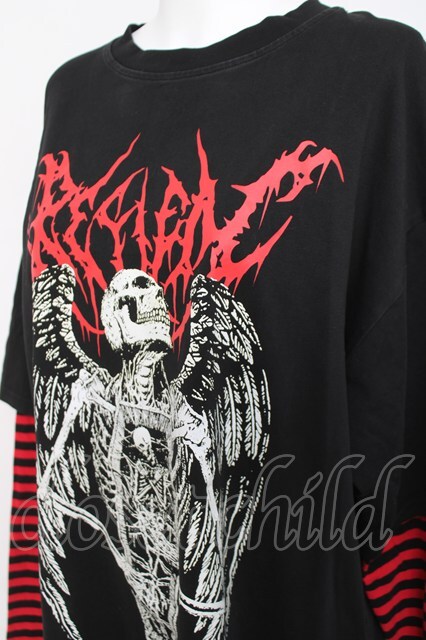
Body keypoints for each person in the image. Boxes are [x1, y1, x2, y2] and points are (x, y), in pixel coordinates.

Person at [2, 1, 426, 638]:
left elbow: (399, 453)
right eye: (127, 299)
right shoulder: (72, 95)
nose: (145, 300)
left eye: (148, 293)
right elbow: (37, 457)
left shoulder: (374, 72)